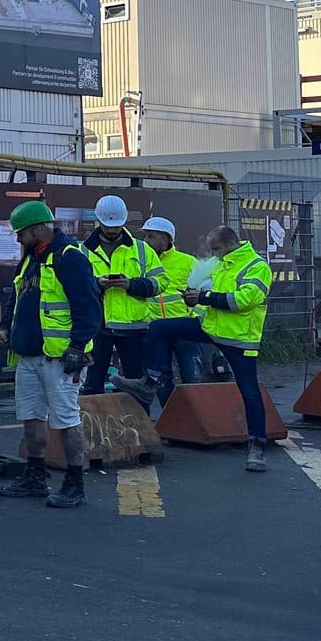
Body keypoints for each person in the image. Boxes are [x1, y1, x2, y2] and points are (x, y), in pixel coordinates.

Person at [114, 226, 274, 472]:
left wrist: (203, 298)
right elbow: (209, 290)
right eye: (211, 249)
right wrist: (195, 300)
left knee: (250, 393)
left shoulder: (257, 266)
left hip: (238, 338)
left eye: (217, 249)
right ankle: (151, 382)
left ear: (232, 243)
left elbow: (242, 300)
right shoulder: (221, 262)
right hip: (210, 328)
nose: (213, 254)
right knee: (159, 328)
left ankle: (257, 446)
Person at [0, 200, 102, 508]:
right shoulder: (31, 260)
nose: (18, 240)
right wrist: (6, 327)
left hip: (59, 357)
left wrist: (77, 349)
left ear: (39, 229)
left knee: (67, 419)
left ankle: (75, 483)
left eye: (22, 233)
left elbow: (89, 307)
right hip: (29, 354)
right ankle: (35, 477)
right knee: (31, 417)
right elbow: (14, 296)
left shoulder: (69, 257)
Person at [81, 195, 160, 397]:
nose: (112, 230)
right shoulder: (82, 250)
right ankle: (93, 426)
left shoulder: (142, 250)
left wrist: (131, 284)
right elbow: (75, 286)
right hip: (98, 326)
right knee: (92, 385)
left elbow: (160, 282)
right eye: (108, 226)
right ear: (99, 221)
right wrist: (97, 283)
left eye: (116, 226)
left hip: (134, 327)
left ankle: (139, 426)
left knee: (137, 387)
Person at [126, 216, 203, 391]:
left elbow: (202, 293)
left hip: (183, 327)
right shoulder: (140, 260)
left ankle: (195, 417)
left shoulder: (187, 262)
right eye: (145, 236)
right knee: (161, 380)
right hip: (154, 330)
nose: (145, 240)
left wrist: (196, 319)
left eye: (151, 236)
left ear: (166, 238)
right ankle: (171, 416)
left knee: (193, 378)